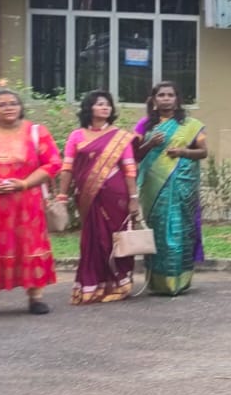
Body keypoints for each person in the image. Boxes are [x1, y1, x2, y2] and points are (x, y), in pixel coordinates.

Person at [0, 89, 63, 317]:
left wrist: (23, 184)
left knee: (29, 245)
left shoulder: (36, 132)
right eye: (1, 104)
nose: (8, 107)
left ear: (20, 107)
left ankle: (35, 299)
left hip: (26, 205)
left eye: (13, 103)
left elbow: (53, 163)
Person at [57, 91, 139, 305]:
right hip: (87, 196)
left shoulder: (120, 137)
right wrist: (62, 195)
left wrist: (134, 197)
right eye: (99, 104)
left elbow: (129, 169)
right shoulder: (77, 135)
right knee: (92, 241)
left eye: (108, 105)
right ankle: (91, 286)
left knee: (115, 239)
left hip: (116, 195)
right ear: (89, 109)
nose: (105, 108)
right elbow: (67, 168)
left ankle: (119, 282)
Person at [134, 81, 207, 296]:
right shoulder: (144, 125)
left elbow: (203, 152)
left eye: (170, 95)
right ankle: (157, 282)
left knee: (179, 228)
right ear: (154, 100)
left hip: (182, 185)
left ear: (177, 99)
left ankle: (179, 280)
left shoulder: (192, 124)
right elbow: (135, 155)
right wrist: (150, 145)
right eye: (161, 95)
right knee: (157, 231)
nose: (166, 98)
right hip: (153, 189)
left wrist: (183, 152)